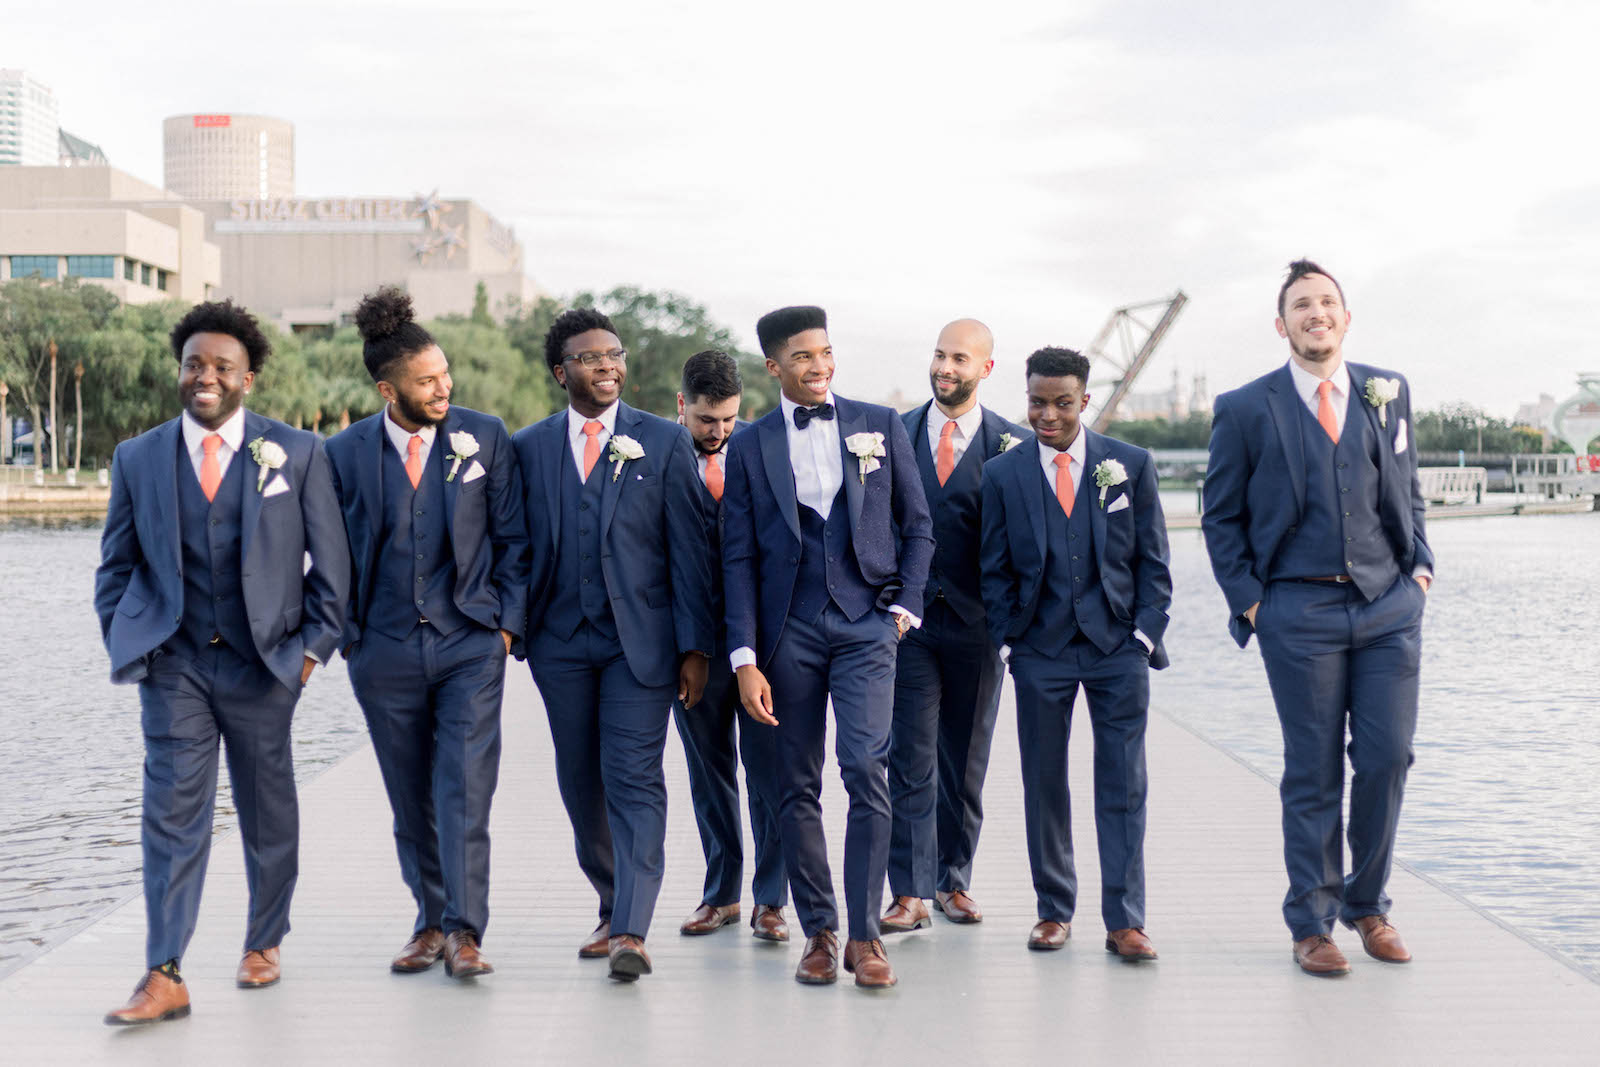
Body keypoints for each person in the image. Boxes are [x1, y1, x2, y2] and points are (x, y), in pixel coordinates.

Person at [95, 300, 349, 1025]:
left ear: (249, 379)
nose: (204, 376)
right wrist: (129, 636)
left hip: (265, 662)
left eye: (221, 367)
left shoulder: (296, 453)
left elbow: (332, 570)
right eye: (193, 365)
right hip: (173, 663)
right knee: (171, 811)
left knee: (269, 807)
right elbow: (115, 567)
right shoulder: (138, 456)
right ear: (180, 372)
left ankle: (264, 938)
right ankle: (164, 969)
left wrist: (308, 655)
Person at [1202, 259, 1433, 977]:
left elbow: (1407, 486)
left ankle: (1369, 904)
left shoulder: (1385, 391)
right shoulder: (1246, 408)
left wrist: (1420, 568)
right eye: (1302, 305)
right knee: (1312, 769)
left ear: (1345, 316)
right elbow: (1221, 516)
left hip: (1388, 604)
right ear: (1283, 325)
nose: (1316, 313)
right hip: (1296, 610)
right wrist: (1251, 600)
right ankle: (1312, 921)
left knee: (1389, 757)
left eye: (1327, 301)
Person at [722, 305, 934, 989]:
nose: (820, 366)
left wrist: (905, 607)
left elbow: (919, 526)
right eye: (804, 357)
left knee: (867, 769)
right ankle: (818, 929)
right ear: (773, 366)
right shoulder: (750, 444)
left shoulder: (879, 423)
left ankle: (866, 936)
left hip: (869, 622)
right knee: (795, 781)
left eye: (826, 352)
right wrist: (745, 656)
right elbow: (738, 557)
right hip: (789, 631)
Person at [324, 287, 528, 981]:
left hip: (470, 642)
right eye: (427, 381)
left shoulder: (485, 435)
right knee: (410, 799)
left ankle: (465, 932)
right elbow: (331, 552)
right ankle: (430, 919)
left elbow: (514, 541)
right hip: (381, 651)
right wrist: (350, 637)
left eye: (445, 375)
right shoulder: (343, 453)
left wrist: (504, 629)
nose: (444, 388)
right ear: (389, 388)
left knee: (463, 791)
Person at [512, 308, 714, 982]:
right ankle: (609, 895)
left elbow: (690, 551)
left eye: (614, 354)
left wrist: (696, 648)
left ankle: (631, 926)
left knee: (634, 776)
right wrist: (513, 628)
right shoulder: (530, 446)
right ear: (560, 369)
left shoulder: (662, 439)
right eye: (590, 357)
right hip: (560, 643)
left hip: (642, 645)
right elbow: (514, 546)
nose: (607, 366)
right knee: (580, 780)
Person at [979, 346, 1171, 961]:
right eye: (1037, 401)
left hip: (1118, 648)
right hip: (1041, 651)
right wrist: (1012, 642)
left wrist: (1143, 636)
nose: (1048, 415)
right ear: (1026, 397)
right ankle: (1053, 911)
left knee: (1123, 785)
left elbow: (1154, 564)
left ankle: (1125, 920)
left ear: (1084, 401)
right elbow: (993, 569)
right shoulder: (1002, 475)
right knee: (1044, 783)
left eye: (1062, 403)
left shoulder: (1130, 465)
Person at [881, 319, 1028, 934]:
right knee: (909, 759)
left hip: (979, 629)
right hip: (909, 628)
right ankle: (909, 892)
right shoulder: (895, 432)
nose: (945, 367)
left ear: (985, 369)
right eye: (939, 355)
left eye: (959, 359)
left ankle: (952, 880)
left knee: (966, 762)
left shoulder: (1013, 446)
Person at [670, 350, 790, 943]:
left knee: (769, 772)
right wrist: (684, 646)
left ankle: (772, 899)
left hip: (763, 647)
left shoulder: (764, 450)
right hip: (690, 651)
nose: (718, 433)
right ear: (681, 406)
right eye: (705, 421)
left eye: (728, 420)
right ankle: (721, 894)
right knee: (708, 773)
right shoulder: (655, 458)